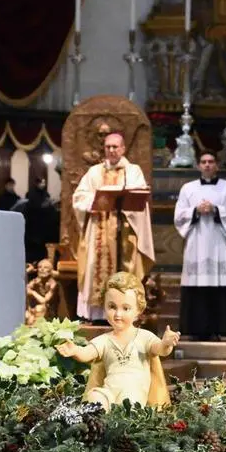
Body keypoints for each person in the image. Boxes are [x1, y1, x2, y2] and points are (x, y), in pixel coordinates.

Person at [56, 271, 179, 410]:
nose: (118, 314)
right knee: (94, 397)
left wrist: (166, 343)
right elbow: (87, 353)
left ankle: (123, 424)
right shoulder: (105, 340)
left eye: (126, 308)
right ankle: (100, 424)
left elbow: (160, 350)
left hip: (133, 394)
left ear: (139, 310)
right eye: (112, 307)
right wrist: (75, 350)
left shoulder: (144, 337)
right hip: (109, 392)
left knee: (129, 403)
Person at [72, 132, 155, 322]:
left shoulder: (132, 171)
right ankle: (97, 315)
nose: (111, 150)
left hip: (124, 230)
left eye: (115, 146)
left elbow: (139, 197)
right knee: (95, 267)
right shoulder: (94, 172)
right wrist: (92, 202)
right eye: (108, 146)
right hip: (98, 229)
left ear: (123, 149)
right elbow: (79, 196)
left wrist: (123, 201)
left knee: (125, 270)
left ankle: (124, 313)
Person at [173, 151, 226, 341]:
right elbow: (179, 215)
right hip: (196, 244)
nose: (207, 165)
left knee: (220, 285)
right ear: (198, 166)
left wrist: (216, 209)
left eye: (211, 161)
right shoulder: (188, 189)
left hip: (220, 243)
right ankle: (195, 329)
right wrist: (195, 211)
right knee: (196, 286)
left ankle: (221, 328)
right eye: (203, 162)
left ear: (217, 165)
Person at [20, 177, 60, 264]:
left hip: (44, 227)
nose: (43, 184)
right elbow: (34, 207)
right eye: (42, 182)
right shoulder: (32, 194)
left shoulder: (46, 194)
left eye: (44, 182)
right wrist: (43, 205)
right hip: (34, 228)